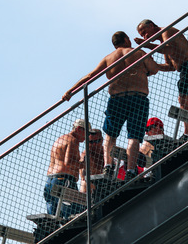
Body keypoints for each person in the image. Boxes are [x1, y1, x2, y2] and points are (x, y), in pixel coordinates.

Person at [63, 31, 159, 182]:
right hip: (138, 98)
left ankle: (108, 165)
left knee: (110, 135)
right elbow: (154, 69)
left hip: (117, 99)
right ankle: (131, 170)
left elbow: (90, 76)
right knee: (133, 137)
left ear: (114, 44)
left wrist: (70, 91)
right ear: (127, 39)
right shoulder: (138, 53)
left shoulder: (109, 58)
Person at [135, 19, 188, 141]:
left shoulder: (166, 31)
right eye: (142, 35)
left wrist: (146, 45)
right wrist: (153, 66)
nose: (145, 37)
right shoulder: (162, 40)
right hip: (186, 68)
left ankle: (187, 134)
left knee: (184, 101)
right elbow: (170, 66)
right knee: (186, 102)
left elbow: (168, 49)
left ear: (151, 25)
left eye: (145, 32)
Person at [44, 118, 93, 219]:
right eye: (86, 133)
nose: (87, 136)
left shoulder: (60, 139)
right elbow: (69, 163)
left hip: (50, 181)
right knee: (71, 216)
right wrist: (83, 164)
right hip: (64, 181)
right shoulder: (73, 140)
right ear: (79, 129)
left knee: (53, 218)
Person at [79, 129, 105, 200]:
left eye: (96, 141)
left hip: (106, 183)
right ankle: (86, 204)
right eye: (91, 142)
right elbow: (83, 176)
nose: (94, 144)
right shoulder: (86, 154)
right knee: (84, 183)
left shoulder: (106, 152)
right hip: (92, 183)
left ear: (102, 140)